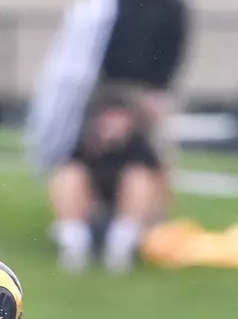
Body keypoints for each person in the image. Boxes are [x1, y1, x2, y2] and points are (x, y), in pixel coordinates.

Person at [97, 0, 189, 160]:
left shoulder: (170, 3)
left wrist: (161, 86)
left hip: (150, 87)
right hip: (113, 83)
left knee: (155, 146)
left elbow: (174, 48)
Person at [48, 93, 162, 273]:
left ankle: (121, 243)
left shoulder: (139, 148)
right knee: (70, 174)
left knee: (138, 176)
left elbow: (157, 183)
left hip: (127, 213)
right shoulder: (85, 145)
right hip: (92, 210)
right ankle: (74, 241)